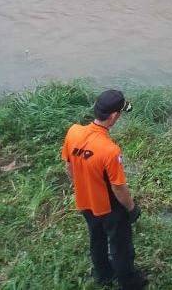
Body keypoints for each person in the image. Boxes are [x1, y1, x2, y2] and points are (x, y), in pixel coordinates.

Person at [61, 90, 146, 289]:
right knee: (121, 247)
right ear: (115, 116)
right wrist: (132, 209)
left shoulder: (73, 132)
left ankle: (103, 275)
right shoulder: (110, 150)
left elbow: (69, 167)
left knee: (96, 239)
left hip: (84, 202)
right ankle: (129, 281)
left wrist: (85, 187)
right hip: (109, 208)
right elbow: (118, 188)